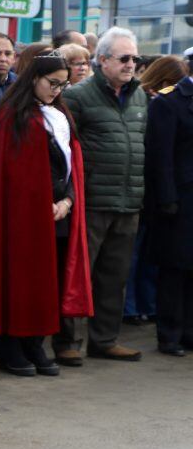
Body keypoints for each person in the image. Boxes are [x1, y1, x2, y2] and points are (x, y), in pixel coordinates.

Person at [0, 54, 93, 376]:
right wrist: (42, 204)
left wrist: (68, 200)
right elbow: (12, 176)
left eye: (62, 84)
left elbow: (72, 167)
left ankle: (36, 343)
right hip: (20, 219)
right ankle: (11, 348)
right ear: (33, 79)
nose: (57, 90)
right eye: (52, 83)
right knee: (18, 281)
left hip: (58, 213)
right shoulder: (12, 116)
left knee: (49, 282)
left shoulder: (59, 113)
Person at [55, 27, 148, 365]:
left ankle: (105, 339)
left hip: (128, 201)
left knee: (114, 275)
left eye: (135, 59)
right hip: (90, 202)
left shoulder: (140, 97)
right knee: (77, 274)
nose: (131, 64)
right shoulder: (78, 97)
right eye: (124, 58)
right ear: (103, 60)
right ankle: (68, 341)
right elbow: (64, 150)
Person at [123, 56, 189, 326]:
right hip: (147, 193)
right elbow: (159, 155)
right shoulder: (158, 103)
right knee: (137, 256)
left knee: (149, 257)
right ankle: (132, 308)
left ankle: (146, 306)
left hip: (153, 192)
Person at [144, 62, 193, 356]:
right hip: (180, 200)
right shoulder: (170, 101)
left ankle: (189, 331)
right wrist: (166, 199)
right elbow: (160, 156)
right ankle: (169, 334)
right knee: (174, 270)